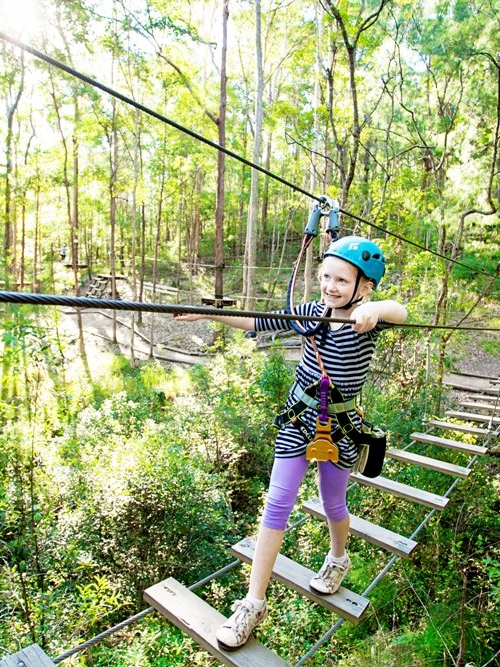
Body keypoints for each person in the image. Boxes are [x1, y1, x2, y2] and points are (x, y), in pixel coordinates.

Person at [174, 236, 407, 650]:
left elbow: (401, 312)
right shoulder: (308, 314)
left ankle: (338, 558)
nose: (330, 286)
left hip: (339, 428)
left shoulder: (369, 319)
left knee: (333, 503)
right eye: (325, 277)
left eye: (342, 280)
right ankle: (253, 603)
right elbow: (257, 321)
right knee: (277, 503)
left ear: (364, 285)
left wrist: (374, 310)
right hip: (298, 421)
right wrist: (209, 314)